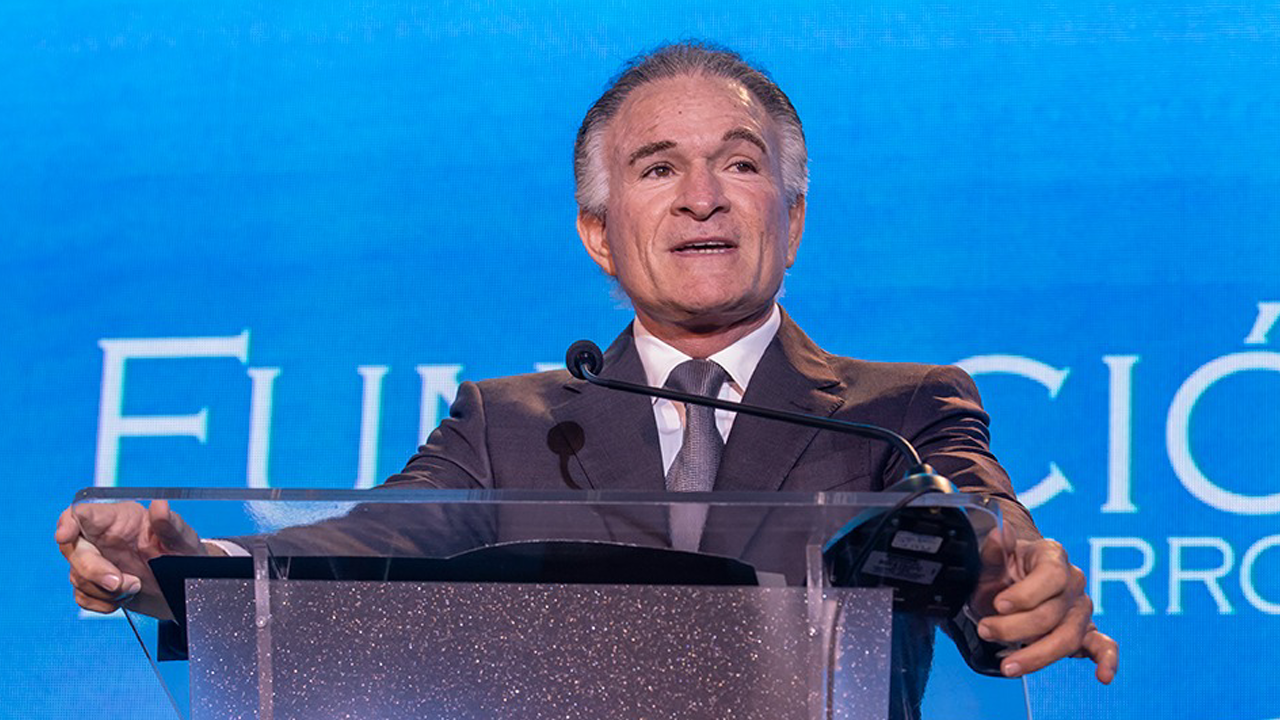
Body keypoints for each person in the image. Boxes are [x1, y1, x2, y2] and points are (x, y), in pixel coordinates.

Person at [58, 41, 1117, 690]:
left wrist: (1012, 573)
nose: (701, 196)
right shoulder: (507, 424)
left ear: (790, 221)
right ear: (600, 235)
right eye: (658, 169)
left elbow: (973, 524)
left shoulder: (901, 409)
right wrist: (183, 565)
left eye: (739, 164)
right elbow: (359, 549)